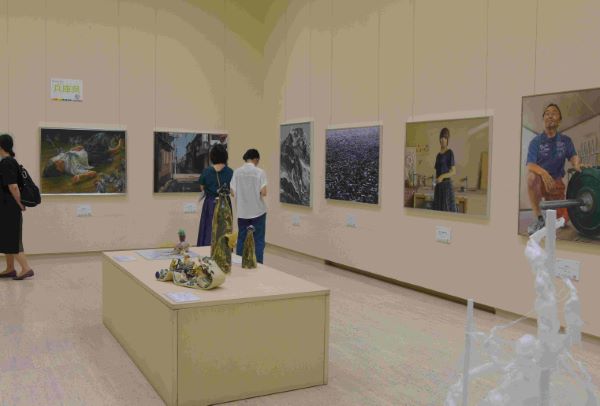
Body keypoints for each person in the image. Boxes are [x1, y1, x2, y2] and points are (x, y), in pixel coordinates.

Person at [526, 103, 581, 235]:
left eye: (554, 113)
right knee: (531, 177)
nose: (550, 116)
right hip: (541, 181)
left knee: (563, 221)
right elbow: (530, 165)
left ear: (559, 120)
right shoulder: (535, 142)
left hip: (556, 184)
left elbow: (573, 157)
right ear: (543, 119)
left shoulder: (566, 141)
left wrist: (577, 164)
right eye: (547, 113)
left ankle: (552, 209)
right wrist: (543, 173)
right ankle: (539, 218)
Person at [0, 134, 34, 280]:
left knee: (12, 238)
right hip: (6, 206)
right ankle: (10, 268)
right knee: (6, 237)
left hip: (9, 207)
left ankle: (26, 268)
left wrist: (20, 203)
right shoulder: (9, 161)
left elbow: (13, 186)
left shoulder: (7, 162)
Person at [230, 149, 267, 264]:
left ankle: (240, 262)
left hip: (242, 212)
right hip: (258, 212)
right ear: (256, 159)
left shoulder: (237, 172)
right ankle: (258, 264)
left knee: (241, 238)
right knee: (258, 240)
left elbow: (232, 192)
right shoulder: (260, 172)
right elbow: (264, 192)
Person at [196, 144, 233, 246]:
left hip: (210, 203)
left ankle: (206, 248)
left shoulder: (206, 171)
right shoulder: (230, 172)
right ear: (225, 156)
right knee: (224, 228)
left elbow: (202, 188)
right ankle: (224, 250)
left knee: (208, 226)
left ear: (212, 156)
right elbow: (232, 190)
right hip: (225, 203)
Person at [432, 127, 457, 212]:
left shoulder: (450, 152)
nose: (442, 140)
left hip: (447, 187)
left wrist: (442, 176)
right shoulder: (438, 155)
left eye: (445, 138)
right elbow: (437, 172)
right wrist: (435, 182)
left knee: (446, 211)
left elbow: (453, 171)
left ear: (447, 140)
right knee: (437, 211)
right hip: (438, 188)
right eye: (441, 137)